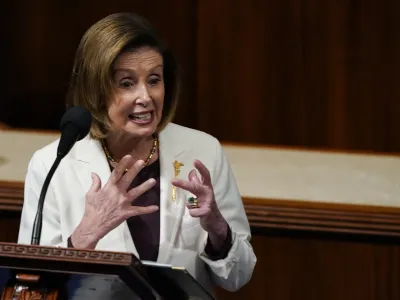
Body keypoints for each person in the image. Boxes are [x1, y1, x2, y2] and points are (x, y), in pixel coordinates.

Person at [17, 12, 256, 298]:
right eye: (126, 83)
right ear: (95, 89)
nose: (145, 96)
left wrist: (218, 229)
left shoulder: (202, 151)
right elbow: (31, 286)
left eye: (154, 79)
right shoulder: (52, 165)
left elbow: (239, 276)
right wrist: (84, 236)